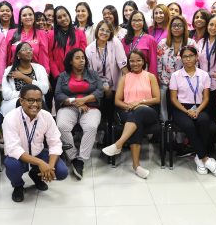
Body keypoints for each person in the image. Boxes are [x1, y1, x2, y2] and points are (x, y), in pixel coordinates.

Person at [3, 84, 68, 203]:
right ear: (21, 101)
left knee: (62, 172)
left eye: (38, 100)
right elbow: (13, 149)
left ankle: (36, 174)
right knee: (12, 166)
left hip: (38, 153)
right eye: (30, 100)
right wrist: (40, 163)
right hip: (19, 157)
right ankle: (18, 186)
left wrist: (50, 167)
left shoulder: (46, 116)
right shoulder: (10, 118)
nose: (35, 104)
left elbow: (55, 143)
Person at [102, 50, 161, 179]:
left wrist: (139, 102)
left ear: (144, 61)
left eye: (138, 60)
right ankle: (136, 166)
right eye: (132, 61)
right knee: (136, 121)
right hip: (128, 111)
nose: (135, 63)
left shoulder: (150, 76)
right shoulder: (124, 78)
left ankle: (119, 144)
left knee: (139, 111)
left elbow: (157, 99)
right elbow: (117, 101)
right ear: (128, 63)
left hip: (148, 110)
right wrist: (130, 106)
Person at [169, 45, 216, 177]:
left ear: (196, 57)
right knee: (189, 125)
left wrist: (197, 110)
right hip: (180, 108)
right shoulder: (176, 75)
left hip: (199, 107)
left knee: (204, 121)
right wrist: (187, 111)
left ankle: (198, 158)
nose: (188, 59)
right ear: (181, 59)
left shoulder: (203, 75)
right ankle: (204, 158)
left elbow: (206, 98)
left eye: (191, 56)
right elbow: (173, 99)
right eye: (185, 57)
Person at [55, 48, 103, 179]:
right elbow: (58, 95)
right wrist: (76, 102)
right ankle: (73, 157)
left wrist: (84, 100)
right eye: (77, 58)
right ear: (70, 61)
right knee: (62, 126)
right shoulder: (63, 76)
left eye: (83, 58)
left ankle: (81, 159)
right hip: (69, 107)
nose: (81, 60)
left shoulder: (93, 74)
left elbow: (100, 92)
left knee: (91, 127)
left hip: (90, 107)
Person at [85, 20, 128, 138]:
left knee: (112, 107)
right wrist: (103, 87)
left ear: (111, 33)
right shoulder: (89, 49)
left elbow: (122, 64)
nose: (104, 32)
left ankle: (111, 135)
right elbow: (90, 73)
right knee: (102, 106)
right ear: (97, 30)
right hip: (98, 85)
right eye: (102, 29)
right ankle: (103, 135)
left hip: (114, 83)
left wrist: (129, 82)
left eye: (107, 31)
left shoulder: (115, 43)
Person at [157, 15, 195, 121]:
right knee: (164, 112)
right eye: (174, 25)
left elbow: (194, 65)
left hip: (184, 85)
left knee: (181, 114)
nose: (176, 28)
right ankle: (167, 135)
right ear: (170, 28)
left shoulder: (191, 43)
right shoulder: (162, 43)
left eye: (179, 25)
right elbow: (159, 64)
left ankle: (179, 137)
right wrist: (162, 82)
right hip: (165, 84)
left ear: (184, 28)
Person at [1, 42, 49, 115]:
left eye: (30, 49)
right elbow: (6, 95)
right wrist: (28, 97)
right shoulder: (9, 70)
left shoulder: (39, 68)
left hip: (36, 103)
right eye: (24, 49)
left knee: (38, 104)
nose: (28, 51)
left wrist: (24, 77)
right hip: (14, 104)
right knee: (23, 102)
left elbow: (44, 89)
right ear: (18, 55)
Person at [6, 6, 50, 73]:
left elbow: (44, 58)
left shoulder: (42, 34)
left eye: (30, 14)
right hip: (14, 72)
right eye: (24, 15)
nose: (28, 17)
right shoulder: (11, 33)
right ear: (20, 19)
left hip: (35, 73)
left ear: (34, 17)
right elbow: (7, 56)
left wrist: (46, 73)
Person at [48, 6, 88, 80]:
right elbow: (50, 57)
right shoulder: (50, 34)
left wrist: (75, 74)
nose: (63, 18)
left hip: (76, 75)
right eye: (59, 17)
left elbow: (82, 54)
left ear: (69, 15)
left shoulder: (80, 33)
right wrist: (57, 75)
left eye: (65, 15)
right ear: (56, 20)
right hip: (57, 76)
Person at [123, 10, 158, 76]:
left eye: (139, 20)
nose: (136, 23)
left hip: (144, 76)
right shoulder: (124, 40)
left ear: (143, 22)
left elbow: (153, 63)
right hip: (128, 75)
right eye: (134, 20)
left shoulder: (150, 39)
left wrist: (152, 81)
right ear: (130, 22)